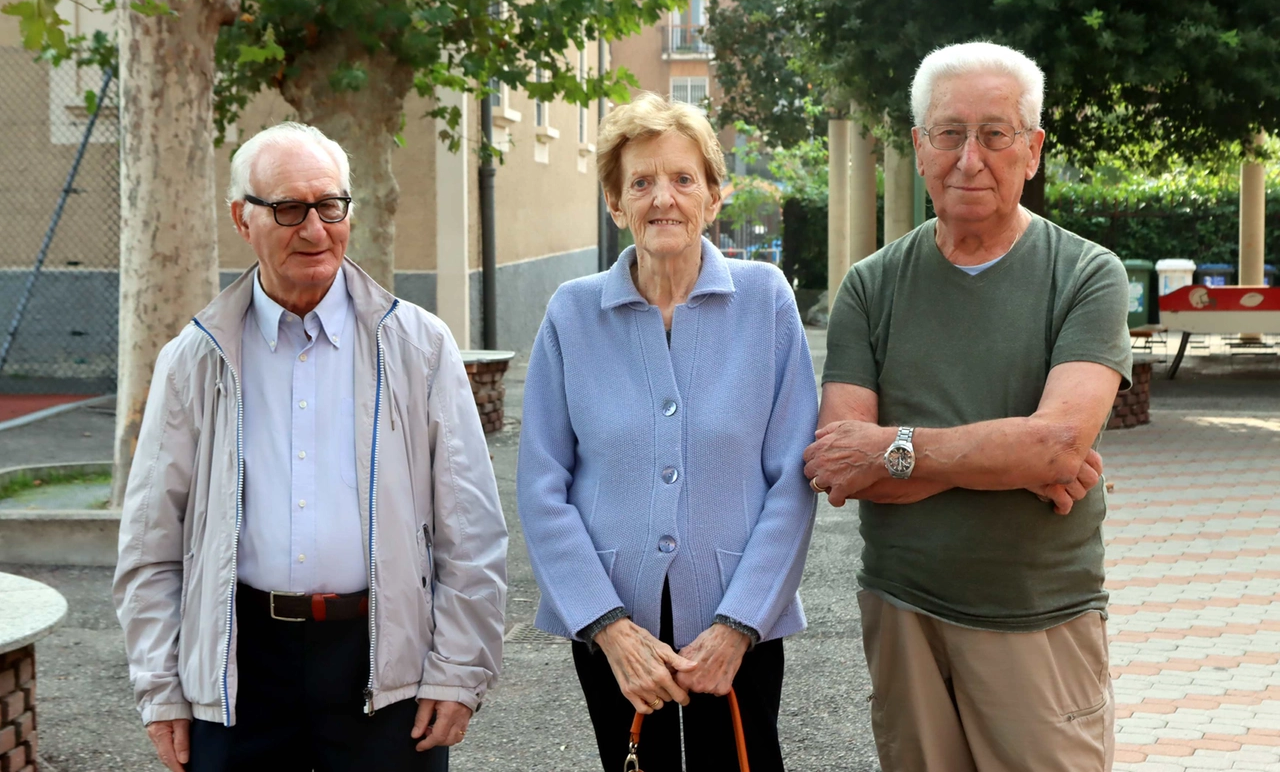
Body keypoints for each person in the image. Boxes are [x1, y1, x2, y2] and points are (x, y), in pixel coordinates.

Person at [114, 122, 508, 772]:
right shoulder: (193, 359)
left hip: (384, 663)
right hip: (240, 666)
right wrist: (161, 688)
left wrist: (459, 669)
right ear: (243, 219)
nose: (315, 228)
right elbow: (151, 542)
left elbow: (471, 528)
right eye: (289, 208)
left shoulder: (418, 346)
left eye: (330, 205)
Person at [804, 42, 1131, 772]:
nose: (970, 157)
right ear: (920, 147)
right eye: (949, 132)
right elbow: (840, 464)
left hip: (1039, 615)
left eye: (996, 133)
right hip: (903, 614)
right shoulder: (869, 287)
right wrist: (1011, 458)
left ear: (1033, 149)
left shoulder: (1086, 276)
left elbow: (1055, 449)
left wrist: (899, 446)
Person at [517, 92, 818, 771]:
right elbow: (542, 484)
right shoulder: (572, 314)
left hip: (739, 623)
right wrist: (608, 629)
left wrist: (740, 624)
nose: (663, 199)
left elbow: (793, 478)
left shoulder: (765, 300)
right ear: (616, 203)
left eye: (683, 179)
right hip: (618, 632)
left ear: (714, 196)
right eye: (642, 182)